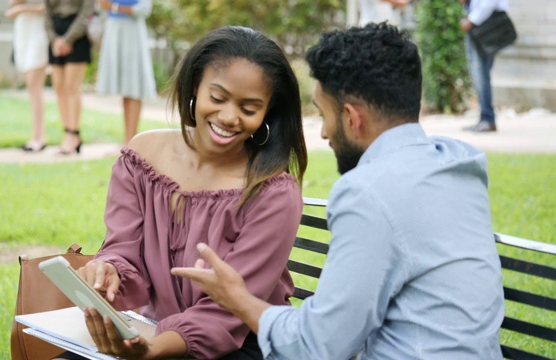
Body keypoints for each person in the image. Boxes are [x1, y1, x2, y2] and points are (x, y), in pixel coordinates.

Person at [172, 23, 505, 359]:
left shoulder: (369, 193)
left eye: (323, 115)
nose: (323, 134)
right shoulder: (459, 164)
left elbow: (318, 346)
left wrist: (236, 298)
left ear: (351, 118)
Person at [56, 26, 308, 359]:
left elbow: (229, 312)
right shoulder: (142, 156)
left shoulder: (273, 192)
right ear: (194, 88)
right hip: (152, 331)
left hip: (238, 343)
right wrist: (109, 271)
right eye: (217, 98)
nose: (229, 117)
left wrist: (151, 351)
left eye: (249, 109)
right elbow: (123, 248)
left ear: (267, 113)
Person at [95, 0, 157, 145]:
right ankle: (127, 140)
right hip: (114, 32)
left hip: (132, 34)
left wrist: (114, 7)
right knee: (125, 89)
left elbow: (143, 10)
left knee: (133, 87)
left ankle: (131, 141)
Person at [45, 0, 94, 154]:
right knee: (59, 87)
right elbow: (46, 14)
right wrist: (54, 40)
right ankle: (66, 132)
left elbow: (87, 12)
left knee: (71, 87)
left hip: (77, 36)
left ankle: (73, 134)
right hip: (55, 35)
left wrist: (67, 40)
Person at [5, 0, 48, 152]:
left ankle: (40, 137)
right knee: (31, 87)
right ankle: (36, 135)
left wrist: (22, 8)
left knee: (34, 84)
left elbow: (47, 8)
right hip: (23, 30)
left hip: (38, 30)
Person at [460, 0, 508, 132]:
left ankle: (488, 119)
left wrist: (471, 20)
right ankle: (484, 119)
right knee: (480, 76)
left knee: (481, 76)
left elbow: (489, 3)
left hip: (484, 26)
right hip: (479, 26)